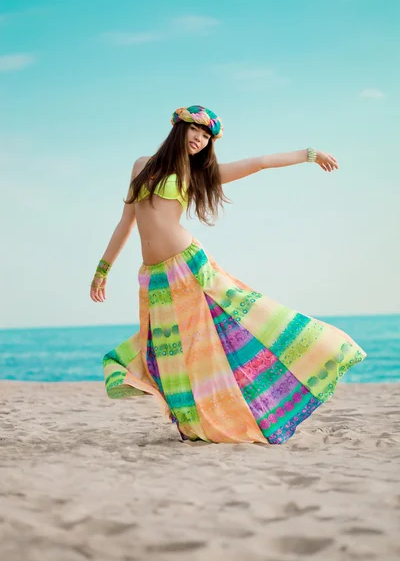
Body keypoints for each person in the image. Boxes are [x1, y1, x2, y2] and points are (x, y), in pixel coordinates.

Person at [90, 105, 367, 445]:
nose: (200, 140)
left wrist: (310, 154)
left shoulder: (198, 173)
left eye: (207, 137)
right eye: (197, 131)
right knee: (171, 351)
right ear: (181, 128)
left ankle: (313, 355)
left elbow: (259, 162)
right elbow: (126, 222)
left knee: (234, 328)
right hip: (154, 276)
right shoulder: (141, 165)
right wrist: (103, 270)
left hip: (189, 267)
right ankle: (195, 422)